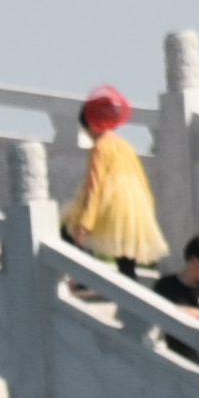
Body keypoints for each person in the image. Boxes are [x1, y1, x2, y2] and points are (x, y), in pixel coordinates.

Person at [65, 89, 167, 268]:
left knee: (67, 233)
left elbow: (94, 188)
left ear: (91, 124)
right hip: (134, 207)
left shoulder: (100, 147)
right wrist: (148, 210)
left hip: (110, 206)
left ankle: (79, 277)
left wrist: (85, 222)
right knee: (127, 261)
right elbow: (142, 180)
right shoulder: (126, 145)